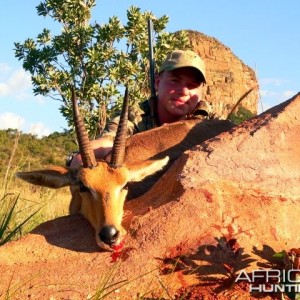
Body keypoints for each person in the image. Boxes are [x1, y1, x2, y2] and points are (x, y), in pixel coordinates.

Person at [68, 49, 209, 168]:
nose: (183, 91)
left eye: (192, 85)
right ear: (158, 82)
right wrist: (85, 156)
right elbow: (109, 141)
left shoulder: (209, 122)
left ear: (202, 91)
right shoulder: (135, 115)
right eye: (175, 81)